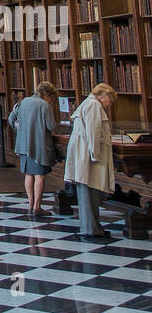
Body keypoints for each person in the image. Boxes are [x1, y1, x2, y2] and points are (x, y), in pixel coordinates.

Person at [64, 82, 118, 241]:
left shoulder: (87, 103)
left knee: (87, 191)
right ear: (103, 95)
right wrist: (95, 154)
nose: (110, 104)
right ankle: (92, 229)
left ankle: (92, 227)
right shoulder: (94, 105)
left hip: (83, 154)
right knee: (89, 191)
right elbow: (93, 132)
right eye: (110, 99)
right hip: (88, 156)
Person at [8, 82, 57, 218]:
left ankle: (30, 205)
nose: (51, 101)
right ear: (46, 94)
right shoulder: (44, 106)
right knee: (40, 176)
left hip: (23, 144)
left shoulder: (23, 102)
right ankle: (37, 207)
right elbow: (51, 126)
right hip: (39, 145)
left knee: (29, 174)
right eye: (51, 98)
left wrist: (20, 130)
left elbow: (11, 118)